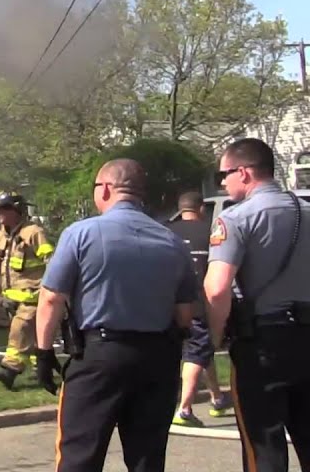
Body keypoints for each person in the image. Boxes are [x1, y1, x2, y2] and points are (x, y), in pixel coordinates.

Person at [35, 159, 196, 472]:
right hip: (157, 358)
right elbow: (185, 314)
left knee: (80, 455)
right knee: (147, 458)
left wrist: (43, 353)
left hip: (100, 356)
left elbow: (52, 297)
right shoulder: (172, 241)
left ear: (106, 189)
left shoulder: (81, 233)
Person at [204, 137, 310, 472]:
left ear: (245, 173)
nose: (223, 181)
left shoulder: (235, 219)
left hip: (262, 345)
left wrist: (215, 336)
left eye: (225, 174)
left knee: (263, 448)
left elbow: (217, 288)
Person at [167, 189, 232, 427]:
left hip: (170, 303)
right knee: (197, 351)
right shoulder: (209, 232)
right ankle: (184, 410)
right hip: (198, 302)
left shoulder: (167, 232)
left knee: (202, 350)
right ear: (201, 209)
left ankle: (217, 398)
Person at [0, 190, 54, 390]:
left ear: (16, 211)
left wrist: (50, 288)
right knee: (34, 337)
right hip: (10, 299)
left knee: (19, 331)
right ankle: (43, 369)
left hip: (32, 296)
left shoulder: (33, 233)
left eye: (3, 210)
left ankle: (9, 371)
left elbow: (52, 262)